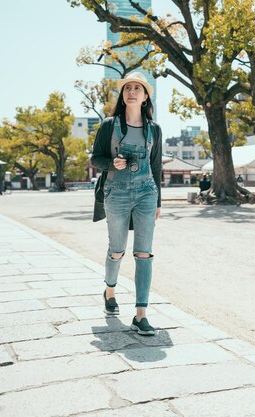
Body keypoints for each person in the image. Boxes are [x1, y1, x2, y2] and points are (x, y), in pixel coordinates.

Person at [90, 72, 162, 337]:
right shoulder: (110, 125)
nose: (132, 91)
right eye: (127, 88)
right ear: (123, 95)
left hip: (147, 193)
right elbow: (95, 159)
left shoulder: (154, 129)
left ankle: (140, 315)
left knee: (144, 252)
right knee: (117, 249)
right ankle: (109, 290)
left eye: (137, 88)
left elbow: (155, 167)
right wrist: (113, 164)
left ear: (145, 97)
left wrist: (158, 202)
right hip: (116, 192)